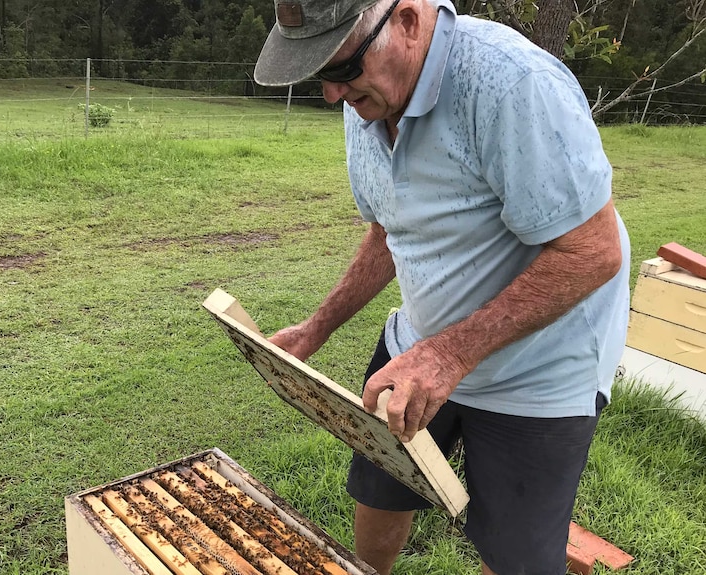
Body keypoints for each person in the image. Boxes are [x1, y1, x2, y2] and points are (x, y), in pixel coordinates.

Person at [253, 1, 631, 574]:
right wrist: (316, 327)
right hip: (418, 349)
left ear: (405, 20)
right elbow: (389, 228)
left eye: (343, 69)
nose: (333, 96)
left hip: (535, 373)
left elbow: (593, 252)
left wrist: (449, 353)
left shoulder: (513, 85)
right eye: (320, 77)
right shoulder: (370, 97)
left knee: (516, 558)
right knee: (379, 492)